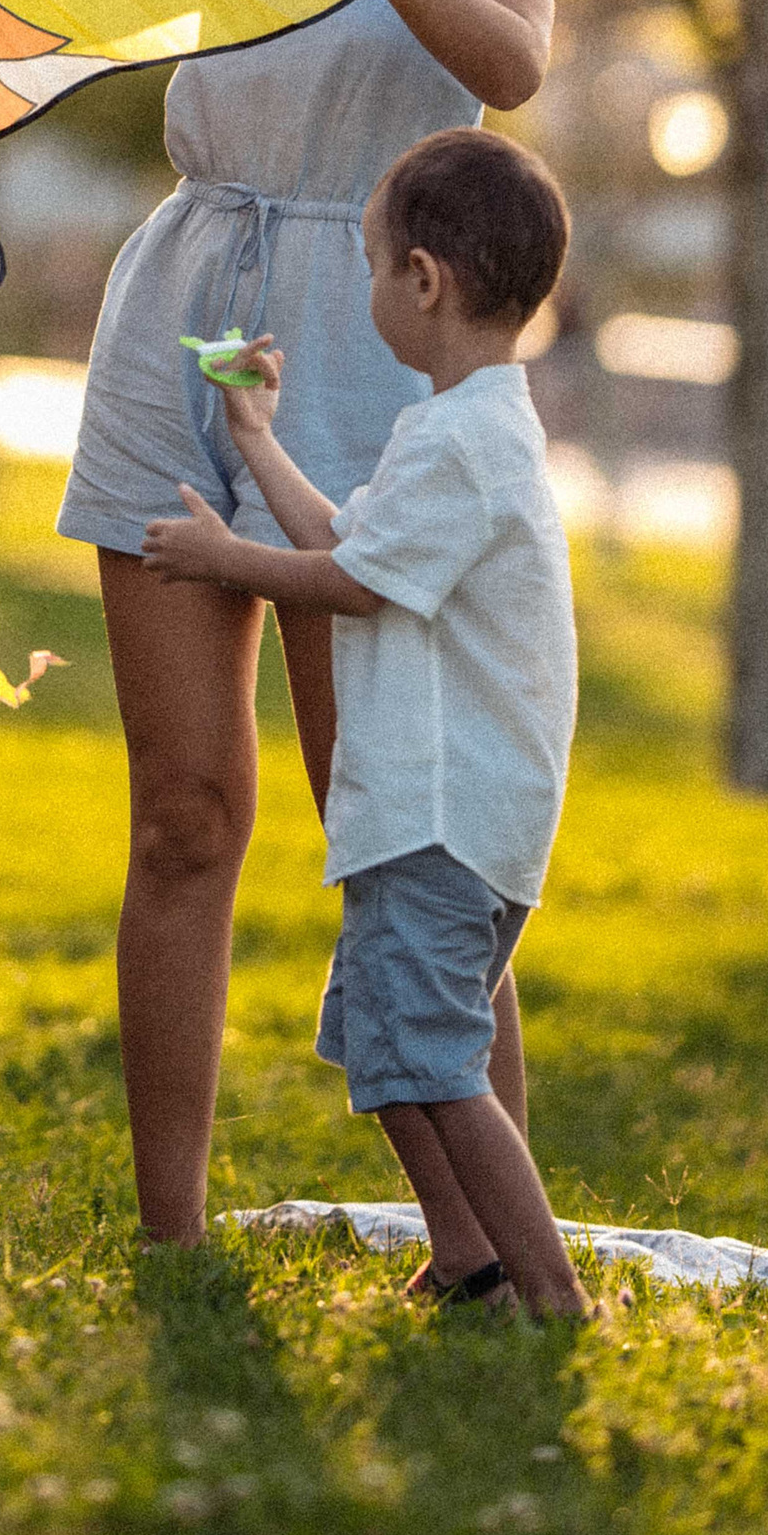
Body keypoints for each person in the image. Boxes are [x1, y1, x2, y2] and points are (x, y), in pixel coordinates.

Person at [57, 0, 555, 1245]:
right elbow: (49, 2)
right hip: (189, 310)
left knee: (398, 824)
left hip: (371, 326)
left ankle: (491, 1246)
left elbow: (516, 64)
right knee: (186, 816)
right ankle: (172, 1239)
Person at [142, 128, 586, 1320]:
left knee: (434, 1067)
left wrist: (222, 558)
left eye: (373, 265)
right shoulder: (462, 429)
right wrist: (256, 440)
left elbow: (350, 585)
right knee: (392, 1057)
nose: (369, 289)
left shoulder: (462, 443)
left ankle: (547, 1294)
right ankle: (473, 1268)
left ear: (422, 280)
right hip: (435, 822)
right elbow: (352, 544)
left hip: (441, 823)